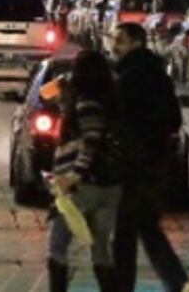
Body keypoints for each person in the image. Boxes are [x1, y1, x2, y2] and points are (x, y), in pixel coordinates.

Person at [110, 23, 189, 292]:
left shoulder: (128, 78)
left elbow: (116, 120)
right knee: (147, 227)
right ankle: (179, 283)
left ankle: (126, 286)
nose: (114, 46)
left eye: (120, 40)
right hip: (155, 163)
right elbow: (174, 119)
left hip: (133, 165)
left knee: (126, 232)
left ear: (136, 42)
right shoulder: (158, 74)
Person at [47, 50, 123, 292]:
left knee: (57, 246)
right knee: (101, 250)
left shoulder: (87, 102)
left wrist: (74, 175)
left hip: (83, 187)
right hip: (110, 186)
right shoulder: (110, 99)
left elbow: (91, 142)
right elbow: (46, 93)